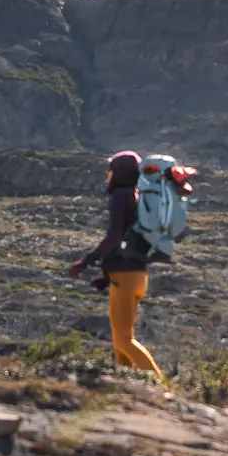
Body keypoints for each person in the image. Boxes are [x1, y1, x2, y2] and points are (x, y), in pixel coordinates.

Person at [68, 151, 163, 378]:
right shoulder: (137, 197)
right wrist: (108, 273)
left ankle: (161, 385)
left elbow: (114, 237)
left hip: (125, 276)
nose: (108, 176)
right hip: (137, 276)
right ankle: (126, 383)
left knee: (124, 340)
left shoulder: (121, 196)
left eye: (110, 171)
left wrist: (86, 261)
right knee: (120, 338)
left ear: (118, 173)